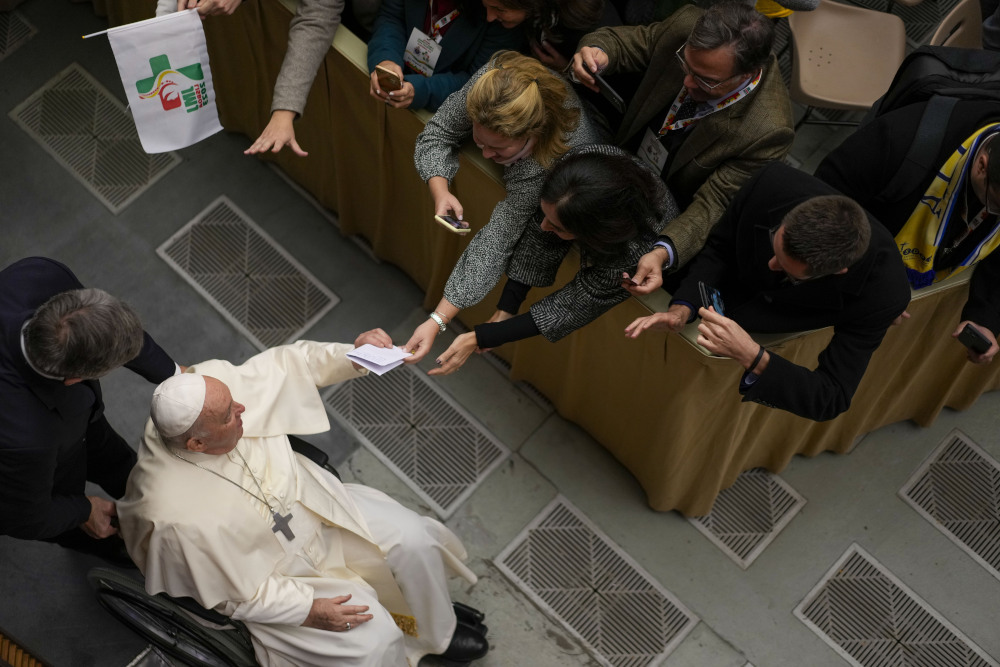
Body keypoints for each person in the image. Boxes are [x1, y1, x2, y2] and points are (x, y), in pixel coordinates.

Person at [118, 336, 489, 667]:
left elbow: (293, 363)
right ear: (197, 444)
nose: (242, 409)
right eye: (230, 415)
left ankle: (433, 634)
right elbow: (232, 594)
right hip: (278, 577)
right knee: (373, 644)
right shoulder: (170, 514)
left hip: (320, 510)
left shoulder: (211, 387)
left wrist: (358, 357)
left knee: (413, 539)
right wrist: (306, 610)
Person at [625, 163, 911, 422]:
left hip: (760, 345)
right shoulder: (771, 183)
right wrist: (681, 310)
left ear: (836, 272)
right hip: (711, 294)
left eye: (786, 270)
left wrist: (751, 355)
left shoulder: (883, 295)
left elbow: (831, 397)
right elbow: (721, 249)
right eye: (776, 244)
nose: (770, 263)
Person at [570, 1, 794, 295]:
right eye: (686, 65)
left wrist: (662, 252)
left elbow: (712, 205)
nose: (687, 82)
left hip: (662, 203)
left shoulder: (767, 131)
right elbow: (632, 43)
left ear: (747, 74)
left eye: (706, 81)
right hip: (622, 153)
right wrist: (599, 51)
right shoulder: (687, 24)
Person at [406, 50, 606, 363]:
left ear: (533, 135)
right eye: (478, 141)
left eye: (497, 148)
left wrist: (438, 320)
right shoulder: (488, 86)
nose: (484, 154)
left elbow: (496, 241)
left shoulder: (550, 162)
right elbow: (438, 133)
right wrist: (440, 190)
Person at [431, 145, 678, 374]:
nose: (543, 225)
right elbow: (539, 240)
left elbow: (570, 306)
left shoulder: (634, 255)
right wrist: (507, 307)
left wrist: (482, 336)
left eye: (558, 227)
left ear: (593, 234)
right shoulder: (573, 168)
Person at [0, 257, 178, 559]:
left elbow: (108, 331)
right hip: (41, 471)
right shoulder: (26, 440)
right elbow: (24, 517)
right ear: (74, 379)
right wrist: (84, 510)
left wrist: (175, 375)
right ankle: (123, 549)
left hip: (80, 424)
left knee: (118, 461)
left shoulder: (38, 276)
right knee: (84, 529)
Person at [815, 99, 1000, 364]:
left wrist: (986, 318)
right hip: (839, 278)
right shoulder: (903, 139)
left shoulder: (993, 181)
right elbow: (820, 208)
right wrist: (868, 280)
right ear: (982, 165)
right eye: (996, 205)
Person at [366, 0, 523, 110]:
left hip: (440, 110)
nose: (491, 16)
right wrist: (386, 60)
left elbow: (478, 81)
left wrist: (422, 91)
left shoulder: (495, 12)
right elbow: (392, 17)